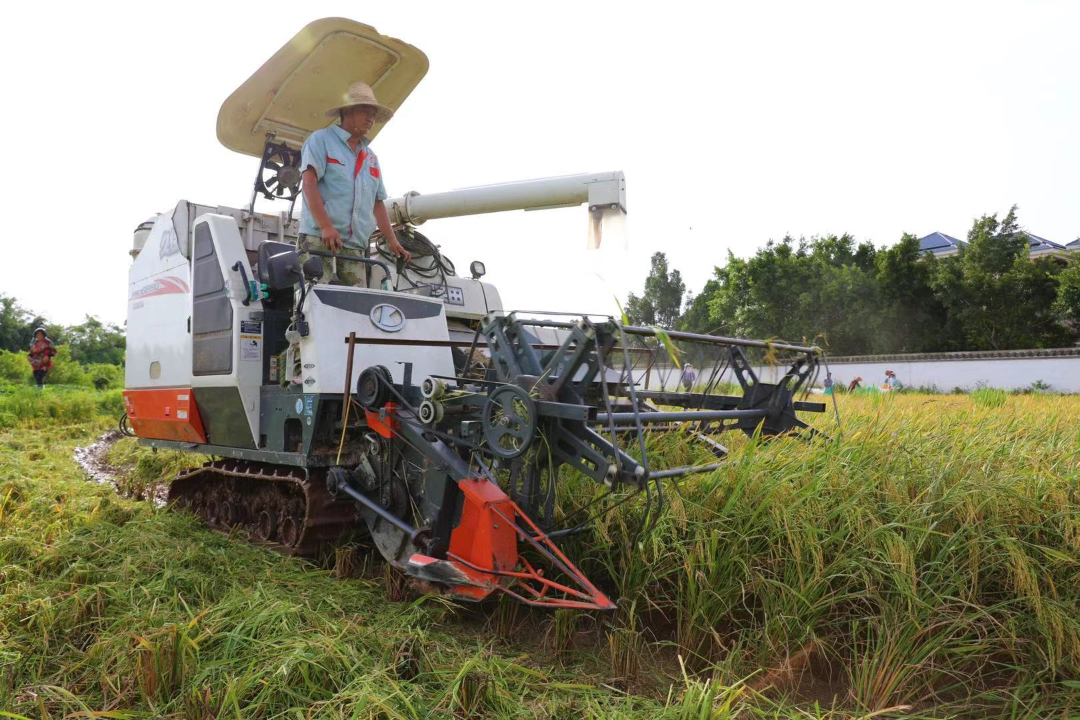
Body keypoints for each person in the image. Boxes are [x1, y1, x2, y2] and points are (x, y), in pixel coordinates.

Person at [298, 81, 411, 286]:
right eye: (365, 111)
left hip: (355, 246)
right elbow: (309, 185)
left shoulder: (371, 158)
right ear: (348, 110)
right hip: (318, 239)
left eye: (374, 114)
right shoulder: (320, 140)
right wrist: (325, 226)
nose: (371, 118)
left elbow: (377, 203)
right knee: (313, 304)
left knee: (356, 307)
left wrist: (393, 241)